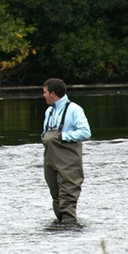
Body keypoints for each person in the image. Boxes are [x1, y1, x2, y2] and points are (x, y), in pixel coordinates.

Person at [40, 78, 91, 225]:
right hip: (50, 159)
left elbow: (85, 133)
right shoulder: (49, 111)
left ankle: (69, 231)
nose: (43, 95)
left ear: (53, 93)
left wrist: (63, 136)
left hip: (68, 161)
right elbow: (44, 133)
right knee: (56, 196)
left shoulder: (75, 109)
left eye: (45, 92)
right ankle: (61, 228)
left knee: (67, 195)